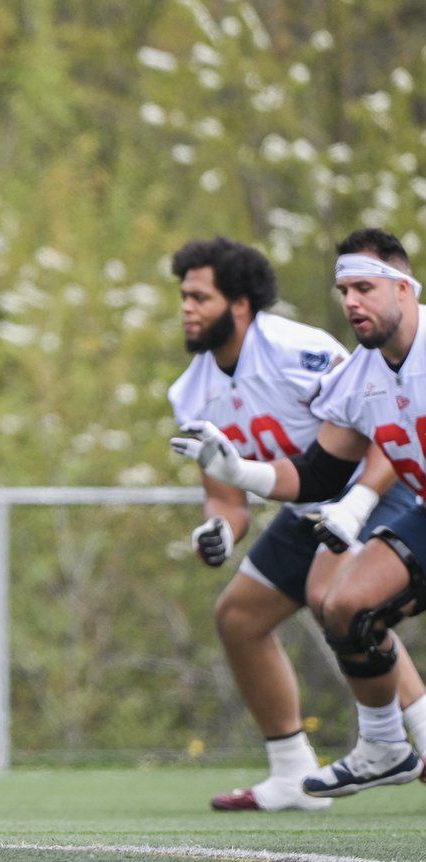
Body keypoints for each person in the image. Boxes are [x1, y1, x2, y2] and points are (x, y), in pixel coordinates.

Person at [166, 236, 426, 811]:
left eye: (199, 296)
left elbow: (378, 444)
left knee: (334, 592)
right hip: (323, 503)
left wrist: (358, 503)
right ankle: (323, 762)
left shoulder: (299, 350)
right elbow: (287, 482)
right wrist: (230, 504)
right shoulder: (191, 391)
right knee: (268, 612)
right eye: (345, 291)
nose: (185, 307)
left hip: (382, 490)